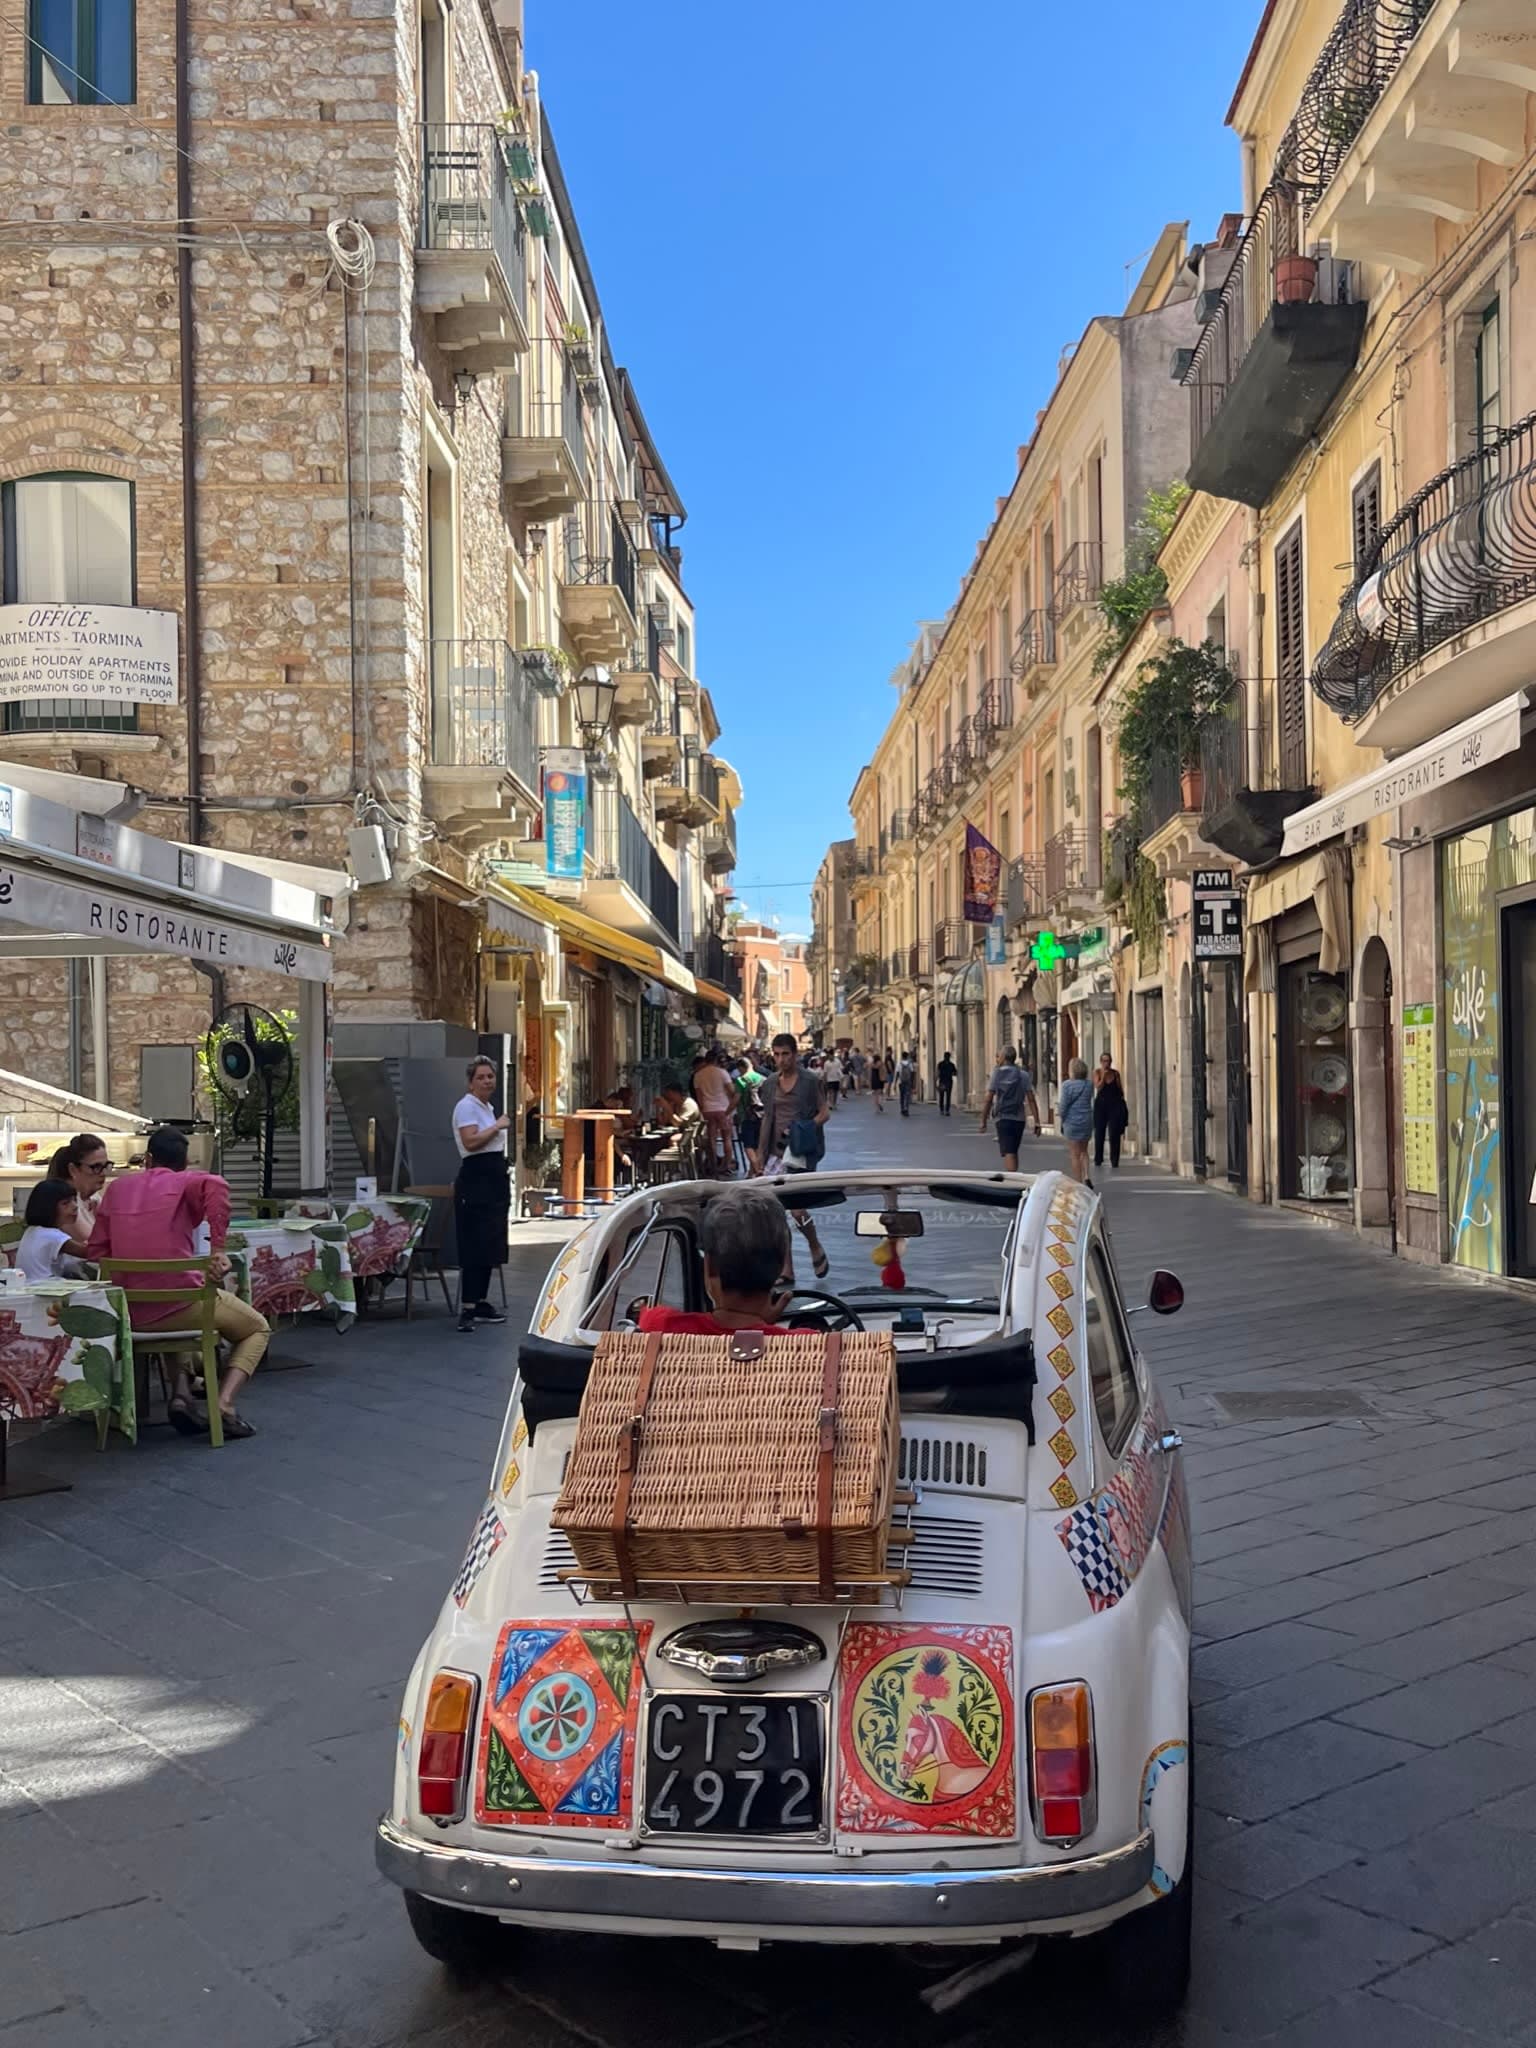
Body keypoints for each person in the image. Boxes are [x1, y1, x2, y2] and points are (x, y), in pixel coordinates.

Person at [86, 1125, 268, 1439]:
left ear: (148, 1159)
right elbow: (217, 1185)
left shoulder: (115, 1190)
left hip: (129, 1311)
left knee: (169, 1305)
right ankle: (223, 1405)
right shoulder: (186, 1181)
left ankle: (181, 1395)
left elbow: (96, 1251)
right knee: (257, 1328)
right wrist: (218, 1249)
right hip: (179, 1306)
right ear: (185, 1163)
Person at [635, 1186, 793, 1335]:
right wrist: (761, 1326)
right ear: (779, 1267)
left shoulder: (658, 1325)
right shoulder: (807, 1346)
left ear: (710, 1267)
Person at [748, 1032, 831, 1279]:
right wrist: (760, 1155)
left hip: (801, 1151)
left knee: (797, 1210)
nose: (780, 1059)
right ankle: (787, 1268)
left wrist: (804, 1128)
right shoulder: (770, 1083)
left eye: (785, 1054)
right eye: (776, 1054)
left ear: (794, 1055)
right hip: (775, 1152)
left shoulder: (810, 1080)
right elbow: (766, 1121)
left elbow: (824, 1113)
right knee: (776, 1210)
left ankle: (814, 1244)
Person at [452, 1057, 511, 1334]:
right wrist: (497, 1126)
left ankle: (482, 1300)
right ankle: (468, 1305)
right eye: (481, 1077)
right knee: (475, 1240)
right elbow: (470, 1141)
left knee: (491, 1240)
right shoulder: (466, 1107)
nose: (487, 1081)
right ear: (471, 1082)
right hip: (477, 1179)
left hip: (494, 1178)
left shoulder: (486, 1107)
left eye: (490, 1076)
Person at [17, 1179, 94, 1280]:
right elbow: (90, 1253)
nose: (75, 1206)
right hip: (43, 1287)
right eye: (65, 1203)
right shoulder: (52, 1235)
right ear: (47, 1208)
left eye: (75, 1200)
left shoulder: (32, 1231)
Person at [979, 1045, 1041, 1172]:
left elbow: (989, 1098)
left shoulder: (997, 1074)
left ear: (1003, 1057)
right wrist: (1037, 1121)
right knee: (1013, 1149)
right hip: (1019, 1118)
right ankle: (1015, 1177)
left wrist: (983, 1120)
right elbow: (1031, 1099)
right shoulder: (1023, 1075)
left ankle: (1012, 1180)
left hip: (1003, 1117)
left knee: (1009, 1152)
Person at [46, 1133, 112, 1233]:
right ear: (73, 1169)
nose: (103, 1173)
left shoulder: (93, 1197)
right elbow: (94, 1242)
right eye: (96, 1167)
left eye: (106, 1165)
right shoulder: (64, 1204)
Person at [691, 1051, 738, 1179]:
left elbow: (699, 1097)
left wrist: (702, 1110)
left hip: (707, 1109)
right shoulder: (723, 1073)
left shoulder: (698, 1075)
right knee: (726, 1138)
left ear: (705, 1060)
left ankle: (713, 1166)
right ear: (717, 1060)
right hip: (723, 1108)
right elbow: (733, 1092)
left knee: (710, 1138)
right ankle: (726, 1166)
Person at [1059, 1058, 1096, 1184]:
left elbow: (1063, 1106)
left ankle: (1078, 1182)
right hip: (1087, 1119)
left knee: (1074, 1154)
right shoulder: (1089, 1084)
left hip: (1072, 1121)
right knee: (1084, 1151)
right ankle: (1086, 1176)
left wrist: (1061, 1118)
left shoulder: (1066, 1085)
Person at [1093, 1059, 1129, 1171]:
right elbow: (1098, 1087)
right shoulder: (1097, 1073)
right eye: (1103, 1061)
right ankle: (1098, 1158)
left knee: (1114, 1132)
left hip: (1114, 1105)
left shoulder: (1116, 1073)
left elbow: (1120, 1089)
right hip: (1101, 1106)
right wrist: (1103, 1077)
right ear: (1100, 1062)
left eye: (1108, 1061)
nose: (1106, 1063)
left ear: (1111, 1062)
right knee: (1099, 1132)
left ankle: (1115, 1160)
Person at [936, 1049, 958, 1117]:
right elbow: (955, 1073)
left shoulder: (940, 1064)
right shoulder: (951, 1065)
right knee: (946, 1096)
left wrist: (936, 1081)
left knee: (944, 1096)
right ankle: (946, 1110)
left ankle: (943, 1110)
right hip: (947, 1081)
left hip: (943, 1081)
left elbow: (938, 1073)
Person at [897, 1051, 915, 1117]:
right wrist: (912, 1082)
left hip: (901, 1082)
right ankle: (906, 1109)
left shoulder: (899, 1063)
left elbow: (897, 1073)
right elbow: (912, 1072)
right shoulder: (910, 1064)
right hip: (908, 1081)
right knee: (907, 1096)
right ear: (907, 1057)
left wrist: (895, 1082)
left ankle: (902, 1109)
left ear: (902, 1056)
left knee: (901, 1096)